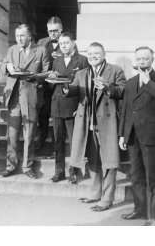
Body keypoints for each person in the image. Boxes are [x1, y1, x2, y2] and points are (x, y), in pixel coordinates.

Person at [64, 42, 126, 211]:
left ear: (104, 54)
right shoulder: (82, 73)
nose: (93, 57)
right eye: (90, 54)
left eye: (97, 53)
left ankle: (107, 199)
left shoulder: (115, 70)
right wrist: (64, 85)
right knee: (92, 160)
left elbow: (122, 91)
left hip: (107, 124)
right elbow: (74, 90)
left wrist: (107, 88)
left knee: (109, 161)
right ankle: (95, 192)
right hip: (87, 123)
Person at [0, 24, 50, 178]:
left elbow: (47, 73)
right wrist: (8, 68)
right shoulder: (12, 50)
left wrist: (33, 76)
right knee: (12, 133)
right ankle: (11, 164)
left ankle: (27, 166)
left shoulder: (41, 51)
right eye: (17, 36)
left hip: (30, 95)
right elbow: (2, 67)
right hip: (14, 95)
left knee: (29, 133)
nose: (19, 39)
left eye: (22, 36)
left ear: (29, 36)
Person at [119, 46, 155, 226]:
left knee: (152, 177)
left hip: (152, 137)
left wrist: (148, 82)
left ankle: (152, 216)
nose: (142, 62)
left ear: (152, 60)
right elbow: (126, 110)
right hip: (133, 136)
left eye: (146, 58)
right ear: (135, 61)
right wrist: (122, 134)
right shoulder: (130, 82)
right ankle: (139, 209)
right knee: (136, 176)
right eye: (139, 59)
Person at [48, 32, 88, 182]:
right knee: (57, 140)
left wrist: (81, 106)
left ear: (73, 42)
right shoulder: (57, 61)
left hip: (73, 106)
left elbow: (84, 86)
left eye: (66, 43)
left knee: (74, 141)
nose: (63, 46)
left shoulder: (83, 60)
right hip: (57, 104)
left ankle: (74, 172)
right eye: (61, 43)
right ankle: (59, 171)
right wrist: (50, 79)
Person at [36, 16, 63, 150]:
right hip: (44, 85)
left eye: (56, 31)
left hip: (59, 84)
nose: (53, 33)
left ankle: (56, 144)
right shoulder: (41, 43)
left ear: (61, 30)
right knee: (43, 113)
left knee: (57, 115)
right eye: (50, 31)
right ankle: (41, 141)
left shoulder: (66, 42)